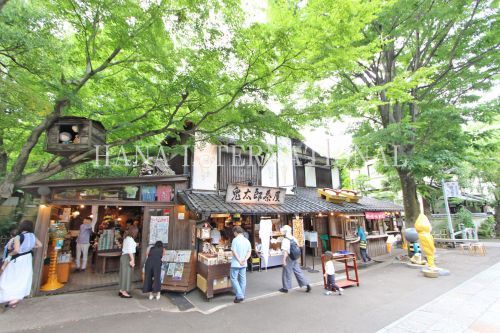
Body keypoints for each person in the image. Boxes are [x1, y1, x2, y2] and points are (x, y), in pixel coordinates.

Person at [0, 220, 41, 308]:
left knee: (10, 277)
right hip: (27, 258)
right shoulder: (32, 236)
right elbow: (40, 245)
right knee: (23, 277)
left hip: (18, 259)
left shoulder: (18, 237)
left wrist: (11, 254)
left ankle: (11, 297)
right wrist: (30, 247)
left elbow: (17, 250)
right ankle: (16, 298)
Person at [279, 225, 311, 293]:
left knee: (286, 272)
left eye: (284, 231)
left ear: (285, 231)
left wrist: (284, 260)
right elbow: (298, 246)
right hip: (295, 257)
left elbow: (286, 251)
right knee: (298, 271)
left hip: (289, 258)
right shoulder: (293, 238)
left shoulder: (285, 240)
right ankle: (307, 284)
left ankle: (285, 288)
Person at [230, 226, 251, 303]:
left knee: (233, 279)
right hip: (244, 263)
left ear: (236, 232)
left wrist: (239, 260)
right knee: (243, 280)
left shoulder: (235, 240)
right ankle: (242, 295)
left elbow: (234, 252)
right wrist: (245, 260)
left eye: (234, 233)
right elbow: (249, 252)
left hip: (236, 263)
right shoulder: (246, 240)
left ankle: (239, 295)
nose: (234, 234)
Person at [119, 226, 138, 298]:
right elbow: (130, 250)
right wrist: (132, 260)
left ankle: (121, 290)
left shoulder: (127, 238)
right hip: (128, 257)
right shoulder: (130, 239)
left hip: (125, 257)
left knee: (123, 274)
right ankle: (124, 292)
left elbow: (128, 247)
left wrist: (135, 244)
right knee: (127, 274)